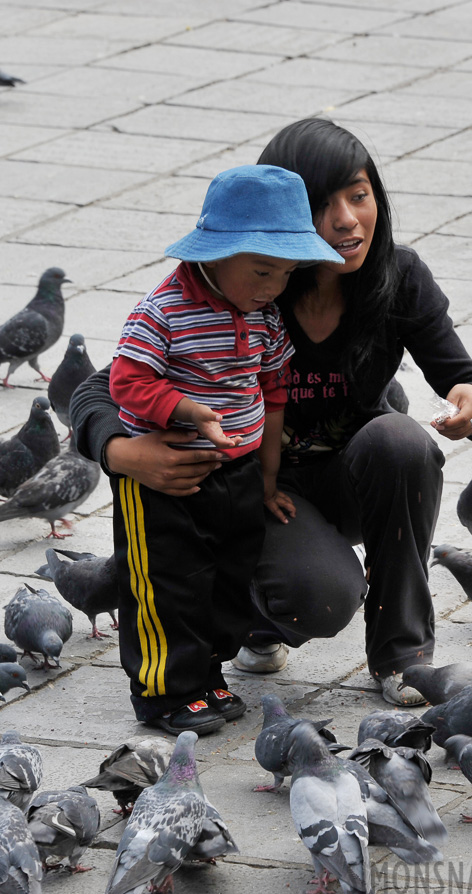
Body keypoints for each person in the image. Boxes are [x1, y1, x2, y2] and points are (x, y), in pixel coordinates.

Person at [71, 118, 472, 708]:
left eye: (359, 195)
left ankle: (402, 656)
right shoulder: (241, 288)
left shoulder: (399, 279)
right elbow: (102, 389)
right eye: (322, 204)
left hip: (347, 480)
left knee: (402, 440)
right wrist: (122, 453)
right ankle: (252, 621)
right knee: (322, 598)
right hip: (251, 490)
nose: (347, 219)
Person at [102, 164, 344, 736]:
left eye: (285, 274)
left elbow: (274, 385)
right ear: (214, 253)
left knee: (225, 576)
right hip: (165, 479)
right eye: (261, 270)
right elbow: (127, 383)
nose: (272, 287)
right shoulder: (162, 311)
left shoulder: (261, 316)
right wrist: (189, 411)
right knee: (168, 582)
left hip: (235, 471)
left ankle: (207, 674)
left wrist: (267, 476)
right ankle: (164, 690)